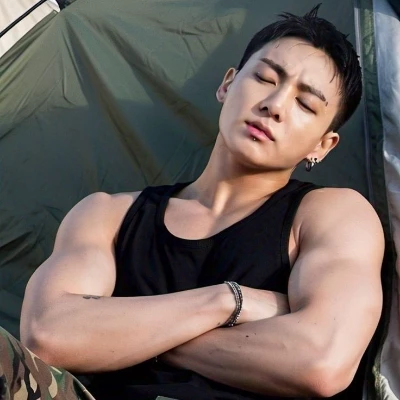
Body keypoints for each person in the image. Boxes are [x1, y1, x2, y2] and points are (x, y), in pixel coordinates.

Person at [2, 4, 383, 400]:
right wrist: (228, 301)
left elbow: (321, 363)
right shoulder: (108, 215)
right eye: (265, 78)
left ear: (323, 145)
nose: (275, 105)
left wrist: (125, 336)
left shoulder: (332, 215)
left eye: (305, 104)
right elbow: (48, 335)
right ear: (227, 85)